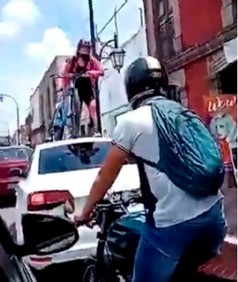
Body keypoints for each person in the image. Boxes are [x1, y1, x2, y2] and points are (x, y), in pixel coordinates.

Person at [74, 56, 226, 282]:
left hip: (173, 226)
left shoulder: (130, 122)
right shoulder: (183, 112)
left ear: (130, 87)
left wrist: (84, 212)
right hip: (215, 218)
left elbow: (104, 178)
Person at [62, 39, 104, 135]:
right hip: (76, 88)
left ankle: (97, 130)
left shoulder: (91, 60)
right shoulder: (73, 61)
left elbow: (101, 71)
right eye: (83, 48)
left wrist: (91, 73)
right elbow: (64, 74)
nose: (85, 51)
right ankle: (74, 132)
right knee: (76, 110)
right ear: (79, 49)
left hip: (88, 88)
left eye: (87, 49)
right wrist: (65, 87)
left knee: (93, 107)